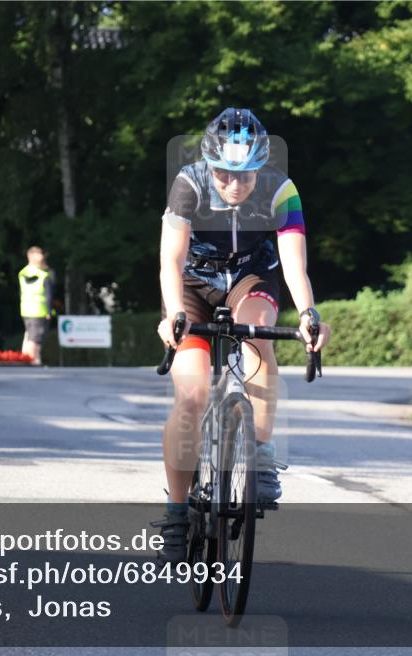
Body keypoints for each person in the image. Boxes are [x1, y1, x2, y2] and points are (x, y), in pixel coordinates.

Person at [154, 108, 331, 563]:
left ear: (260, 169)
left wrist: (309, 313)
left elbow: (294, 265)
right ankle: (176, 513)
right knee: (191, 395)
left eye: (246, 176)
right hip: (192, 283)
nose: (235, 185)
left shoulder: (281, 190)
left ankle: (262, 454)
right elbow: (170, 260)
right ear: (209, 164)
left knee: (259, 337)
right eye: (225, 174)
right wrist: (174, 311)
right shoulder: (188, 184)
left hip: (251, 277)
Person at [18, 246, 54, 366]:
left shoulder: (22, 273)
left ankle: (29, 358)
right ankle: (32, 360)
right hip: (39, 311)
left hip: (26, 310)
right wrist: (49, 311)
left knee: (29, 335)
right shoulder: (43, 275)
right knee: (36, 338)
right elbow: (48, 295)